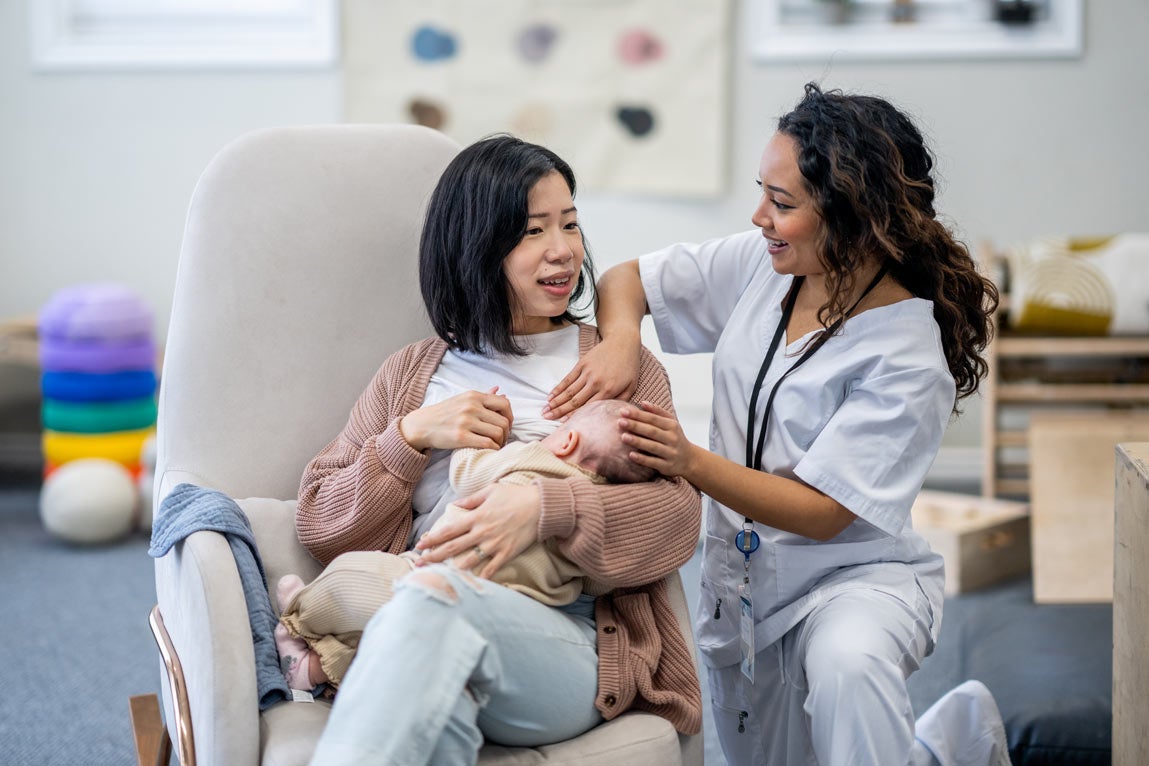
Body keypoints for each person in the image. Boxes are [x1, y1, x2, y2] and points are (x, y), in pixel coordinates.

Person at [545, 83, 1011, 766]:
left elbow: (824, 514)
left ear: (854, 217)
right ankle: (954, 742)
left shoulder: (907, 357)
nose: (760, 216)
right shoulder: (766, 266)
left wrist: (689, 461)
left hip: (853, 581)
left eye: (783, 203)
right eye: (763, 191)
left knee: (847, 669)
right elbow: (627, 280)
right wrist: (620, 342)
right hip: (743, 590)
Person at [295, 134, 702, 765]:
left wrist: (548, 508)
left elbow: (678, 521)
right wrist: (408, 439)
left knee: (430, 604)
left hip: (566, 641)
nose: (563, 249)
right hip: (419, 613)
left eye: (569, 223)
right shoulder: (412, 375)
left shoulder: (617, 368)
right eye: (533, 231)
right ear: (478, 248)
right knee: (434, 703)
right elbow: (320, 522)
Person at [275, 398, 656, 692]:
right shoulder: (595, 512)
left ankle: (298, 619)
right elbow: (599, 580)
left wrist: (480, 442)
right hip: (516, 614)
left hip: (434, 574)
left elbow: (467, 475)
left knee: (351, 574)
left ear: (566, 439)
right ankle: (310, 671)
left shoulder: (531, 458)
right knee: (388, 638)